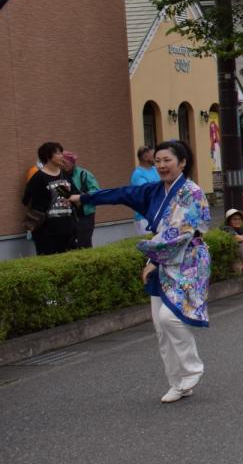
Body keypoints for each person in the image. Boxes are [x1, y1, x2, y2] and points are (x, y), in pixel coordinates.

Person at [73, 140, 211, 403]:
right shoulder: (153, 191)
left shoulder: (191, 192)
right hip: (160, 259)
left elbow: (180, 232)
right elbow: (122, 193)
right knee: (160, 327)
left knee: (171, 318)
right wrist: (85, 198)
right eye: (158, 161)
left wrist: (153, 259)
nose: (161, 165)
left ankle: (192, 368)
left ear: (182, 162)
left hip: (187, 260)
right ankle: (177, 383)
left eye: (167, 160)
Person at [21, 142, 77, 255]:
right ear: (48, 156)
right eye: (58, 153)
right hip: (46, 231)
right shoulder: (38, 177)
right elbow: (26, 200)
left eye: (61, 152)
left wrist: (71, 200)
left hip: (67, 228)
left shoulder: (64, 175)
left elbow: (73, 194)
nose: (62, 155)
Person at [62, 151, 100, 248]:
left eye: (64, 162)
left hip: (86, 213)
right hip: (68, 214)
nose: (62, 165)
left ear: (72, 163)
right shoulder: (60, 175)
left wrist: (81, 197)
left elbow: (96, 192)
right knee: (69, 243)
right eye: (61, 162)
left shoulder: (84, 174)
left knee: (84, 242)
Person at [130, 146, 159, 234]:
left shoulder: (155, 169)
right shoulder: (138, 174)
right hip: (144, 218)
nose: (156, 158)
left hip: (158, 216)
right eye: (153, 155)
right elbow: (147, 192)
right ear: (145, 157)